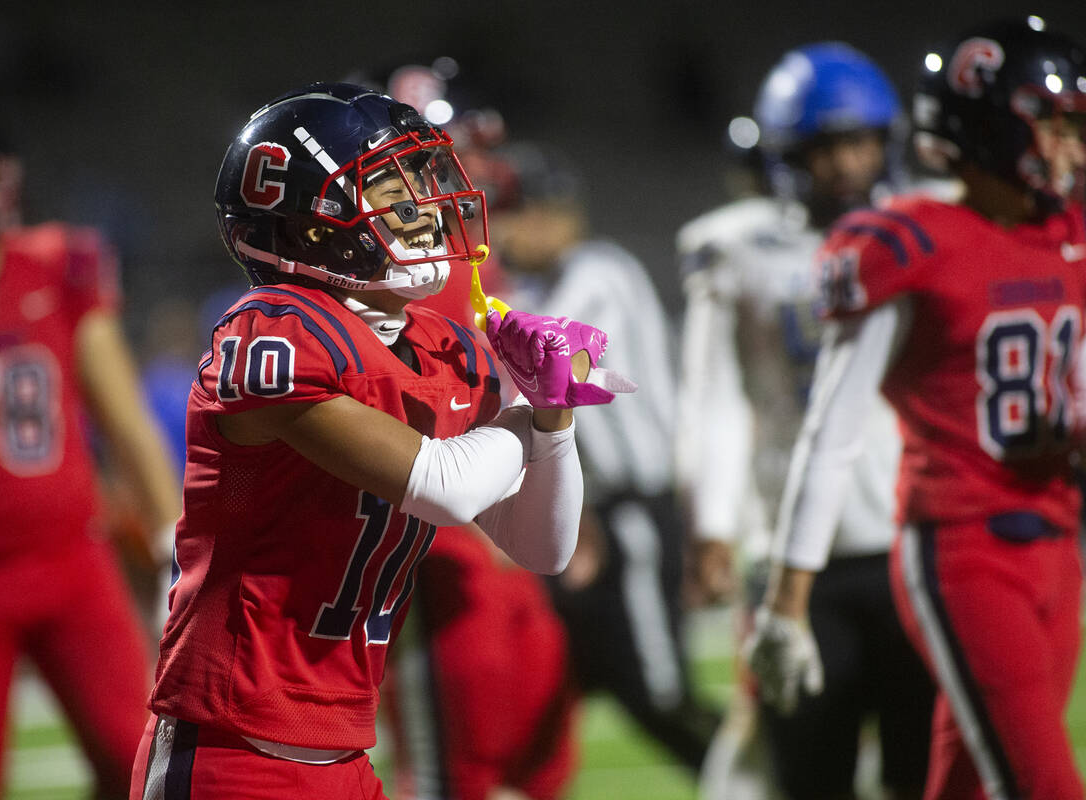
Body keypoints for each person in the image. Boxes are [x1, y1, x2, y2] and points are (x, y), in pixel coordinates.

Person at [130, 82, 624, 799]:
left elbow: (543, 547)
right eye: (392, 192)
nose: (425, 212)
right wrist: (532, 407)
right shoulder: (270, 332)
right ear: (315, 225)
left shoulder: (436, 347)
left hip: (345, 755)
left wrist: (555, 421)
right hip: (231, 748)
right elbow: (445, 486)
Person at [759, 18, 1086, 799]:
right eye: (1055, 124)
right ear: (992, 127)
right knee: (1043, 784)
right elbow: (831, 432)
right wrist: (786, 598)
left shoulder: (1069, 234)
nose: (1071, 144)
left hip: (1058, 537)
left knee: (967, 777)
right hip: (965, 543)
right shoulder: (910, 244)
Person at [0, 97, 182, 799]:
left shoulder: (57, 266)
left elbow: (125, 419)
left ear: (4, 189)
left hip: (70, 558)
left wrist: (175, 540)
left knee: (132, 760)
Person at [679, 44, 935, 799]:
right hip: (792, 548)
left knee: (927, 769)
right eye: (825, 146)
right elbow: (714, 398)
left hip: (910, 531)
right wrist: (711, 520)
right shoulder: (734, 249)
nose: (845, 163)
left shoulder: (923, 229)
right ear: (790, 152)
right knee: (810, 769)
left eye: (859, 142)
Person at [365, 61, 579, 800]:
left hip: (502, 531)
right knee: (456, 769)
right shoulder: (375, 278)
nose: (465, 174)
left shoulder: (467, 256)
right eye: (437, 156)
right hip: (438, 542)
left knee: (542, 760)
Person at [486, 140, 719, 772]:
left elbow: (551, 354)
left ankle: (772, 777)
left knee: (657, 693)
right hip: (595, 518)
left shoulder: (601, 269)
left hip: (633, 510)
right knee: (581, 682)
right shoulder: (546, 282)